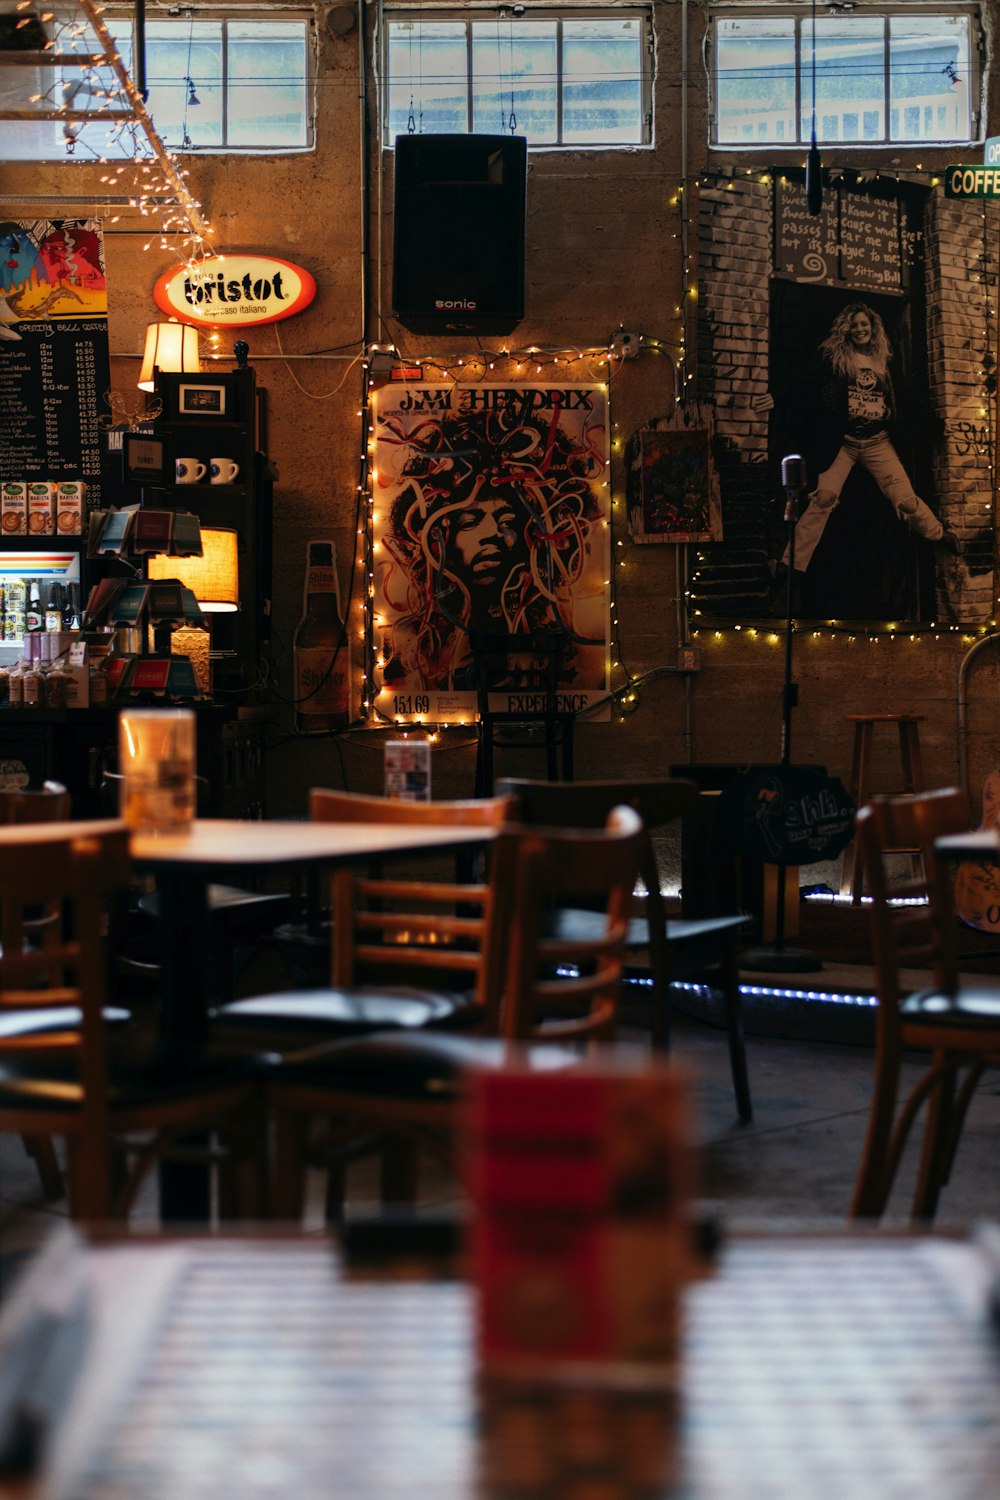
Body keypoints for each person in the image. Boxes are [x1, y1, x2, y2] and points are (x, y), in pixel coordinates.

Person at [779, 301, 956, 584]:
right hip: (844, 443)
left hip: (877, 442)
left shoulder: (884, 361)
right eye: (854, 324)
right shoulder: (833, 357)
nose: (860, 329)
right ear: (846, 329)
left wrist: (934, 424)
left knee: (907, 503)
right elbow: (803, 380)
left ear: (873, 328)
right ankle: (790, 566)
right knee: (823, 499)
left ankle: (939, 534)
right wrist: (776, 396)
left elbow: (906, 398)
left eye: (865, 324)